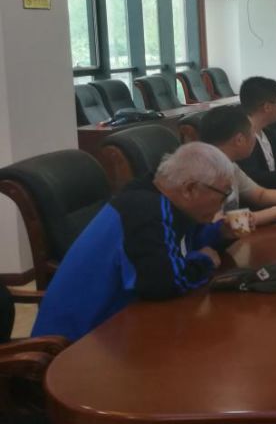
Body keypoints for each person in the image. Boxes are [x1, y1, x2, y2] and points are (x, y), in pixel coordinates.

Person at [31, 143, 240, 341]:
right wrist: (204, 261)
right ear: (190, 189)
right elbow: (164, 283)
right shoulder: (146, 212)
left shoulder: (162, 199)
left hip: (114, 330)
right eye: (223, 195)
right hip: (73, 345)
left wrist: (220, 234)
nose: (223, 204)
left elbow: (182, 244)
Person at [199, 106, 276, 225]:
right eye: (253, 133)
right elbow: (220, 225)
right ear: (239, 140)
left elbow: (260, 194)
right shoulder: (204, 174)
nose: (255, 139)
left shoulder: (229, 165)